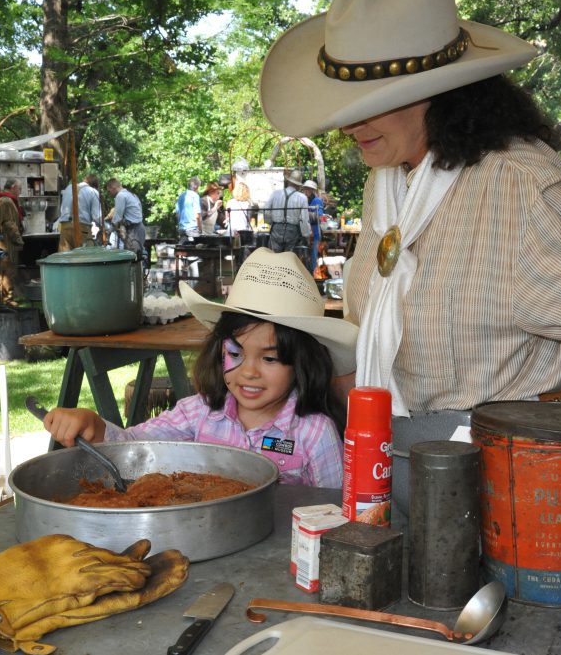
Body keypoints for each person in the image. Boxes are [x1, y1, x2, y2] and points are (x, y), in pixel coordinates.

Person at [259, 0, 561, 424]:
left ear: (438, 96)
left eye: (368, 104)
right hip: (406, 452)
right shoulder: (387, 184)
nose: (347, 126)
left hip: (516, 461)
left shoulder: (515, 184)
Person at [41, 248, 359, 487]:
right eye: (235, 353)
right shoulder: (198, 414)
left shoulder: (315, 434)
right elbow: (133, 448)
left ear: (301, 363)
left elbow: (335, 509)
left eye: (270, 358)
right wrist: (95, 427)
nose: (248, 371)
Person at [0, 178, 25, 305]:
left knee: (1, 270)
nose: (19, 192)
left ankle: (0, 298)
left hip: (0, 240)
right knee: (8, 270)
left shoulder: (0, 199)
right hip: (5, 241)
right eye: (19, 189)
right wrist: (18, 240)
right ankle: (7, 300)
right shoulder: (6, 201)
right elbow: (9, 223)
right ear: (13, 187)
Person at [264, 171, 311, 255]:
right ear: (298, 185)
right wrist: (306, 234)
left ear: (289, 181)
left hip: (276, 229)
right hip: (292, 231)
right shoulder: (302, 198)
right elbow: (304, 218)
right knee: (289, 258)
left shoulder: (276, 193)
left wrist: (270, 222)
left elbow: (266, 210)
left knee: (274, 256)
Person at [105, 178, 145, 264]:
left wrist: (108, 232)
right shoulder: (131, 194)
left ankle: (133, 277)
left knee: (132, 258)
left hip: (134, 230)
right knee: (137, 257)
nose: (109, 194)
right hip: (139, 228)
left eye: (109, 191)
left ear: (113, 187)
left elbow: (117, 217)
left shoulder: (120, 196)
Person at [58, 173, 102, 252]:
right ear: (95, 185)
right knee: (84, 259)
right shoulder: (93, 192)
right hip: (82, 228)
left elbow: (62, 209)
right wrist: (103, 227)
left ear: (85, 180)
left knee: (65, 259)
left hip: (65, 227)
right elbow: (97, 217)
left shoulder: (69, 188)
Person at [304, 180, 325, 274]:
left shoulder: (317, 200)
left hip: (315, 232)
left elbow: (319, 215)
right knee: (308, 255)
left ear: (312, 190)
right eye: (305, 189)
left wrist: (305, 213)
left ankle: (315, 274)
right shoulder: (308, 200)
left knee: (314, 255)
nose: (305, 191)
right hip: (308, 231)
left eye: (307, 189)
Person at [176, 177, 201, 242]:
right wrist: (200, 229)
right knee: (195, 250)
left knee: (183, 250)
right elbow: (197, 216)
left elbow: (177, 214)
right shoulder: (195, 196)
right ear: (196, 187)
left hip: (182, 229)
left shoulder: (181, 196)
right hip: (192, 229)